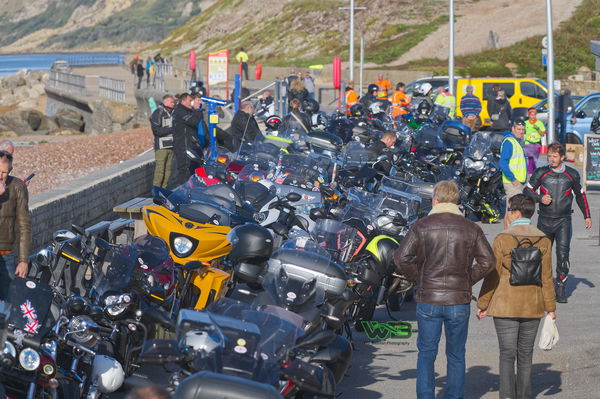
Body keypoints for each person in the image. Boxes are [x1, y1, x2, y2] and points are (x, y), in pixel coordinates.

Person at [395, 180, 495, 399]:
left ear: (436, 200)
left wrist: (419, 279)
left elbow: (401, 258)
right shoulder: (471, 227)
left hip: (428, 298)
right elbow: (488, 262)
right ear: (456, 201)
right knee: (457, 355)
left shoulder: (421, 225)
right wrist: (467, 279)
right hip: (458, 299)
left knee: (426, 354)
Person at [477, 194, 556, 399]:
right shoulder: (543, 239)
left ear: (516, 212)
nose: (507, 213)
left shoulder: (503, 238)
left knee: (507, 355)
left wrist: (483, 303)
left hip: (506, 305)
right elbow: (547, 276)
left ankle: (506, 396)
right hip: (533, 305)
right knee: (526, 355)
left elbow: (493, 274)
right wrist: (551, 308)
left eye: (509, 209)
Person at [524, 142, 592, 303]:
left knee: (562, 255)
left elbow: (580, 196)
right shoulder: (541, 172)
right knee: (540, 255)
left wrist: (587, 216)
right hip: (544, 221)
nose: (551, 159)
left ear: (562, 157)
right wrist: (540, 198)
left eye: (555, 156)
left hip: (563, 221)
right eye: (549, 156)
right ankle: (541, 288)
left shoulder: (572, 174)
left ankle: (560, 288)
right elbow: (526, 190)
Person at [0, 151, 31, 301]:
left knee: (10, 304)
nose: (1, 176)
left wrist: (23, 260)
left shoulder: (17, 186)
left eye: (4, 173)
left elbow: (24, 226)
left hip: (7, 255)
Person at [172, 93, 207, 185]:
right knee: (185, 170)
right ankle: (183, 191)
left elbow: (198, 120)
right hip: (183, 146)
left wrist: (198, 110)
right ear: (183, 101)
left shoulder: (188, 111)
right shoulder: (180, 111)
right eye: (189, 100)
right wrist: (196, 109)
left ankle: (193, 191)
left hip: (192, 145)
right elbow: (193, 121)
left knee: (195, 170)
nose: (191, 102)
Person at [500, 121, 527, 225]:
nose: (521, 132)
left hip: (517, 182)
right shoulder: (509, 142)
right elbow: (503, 163)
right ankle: (510, 235)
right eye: (518, 129)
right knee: (514, 212)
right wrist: (513, 179)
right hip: (513, 182)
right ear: (513, 129)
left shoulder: (516, 141)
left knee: (511, 210)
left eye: (522, 130)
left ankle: (508, 234)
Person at [150, 95, 175, 189]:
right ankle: (156, 191)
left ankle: (163, 190)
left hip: (171, 146)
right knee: (160, 171)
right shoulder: (158, 113)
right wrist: (172, 129)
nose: (173, 104)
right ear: (165, 102)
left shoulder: (172, 113)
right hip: (161, 147)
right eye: (171, 102)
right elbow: (157, 131)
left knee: (168, 171)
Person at [523, 107, 546, 175]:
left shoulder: (539, 123)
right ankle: (530, 174)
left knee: (534, 161)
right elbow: (522, 133)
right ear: (529, 115)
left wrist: (538, 129)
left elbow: (543, 134)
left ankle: (533, 173)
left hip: (536, 145)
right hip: (528, 144)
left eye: (534, 115)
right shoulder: (525, 123)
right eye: (531, 115)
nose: (533, 116)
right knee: (530, 159)